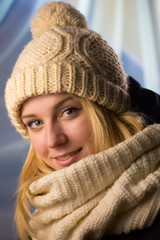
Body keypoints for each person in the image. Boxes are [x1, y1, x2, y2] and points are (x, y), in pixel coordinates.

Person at [4, 1, 160, 240]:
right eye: (35, 123)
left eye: (68, 112)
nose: (53, 140)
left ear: (107, 108)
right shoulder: (46, 218)